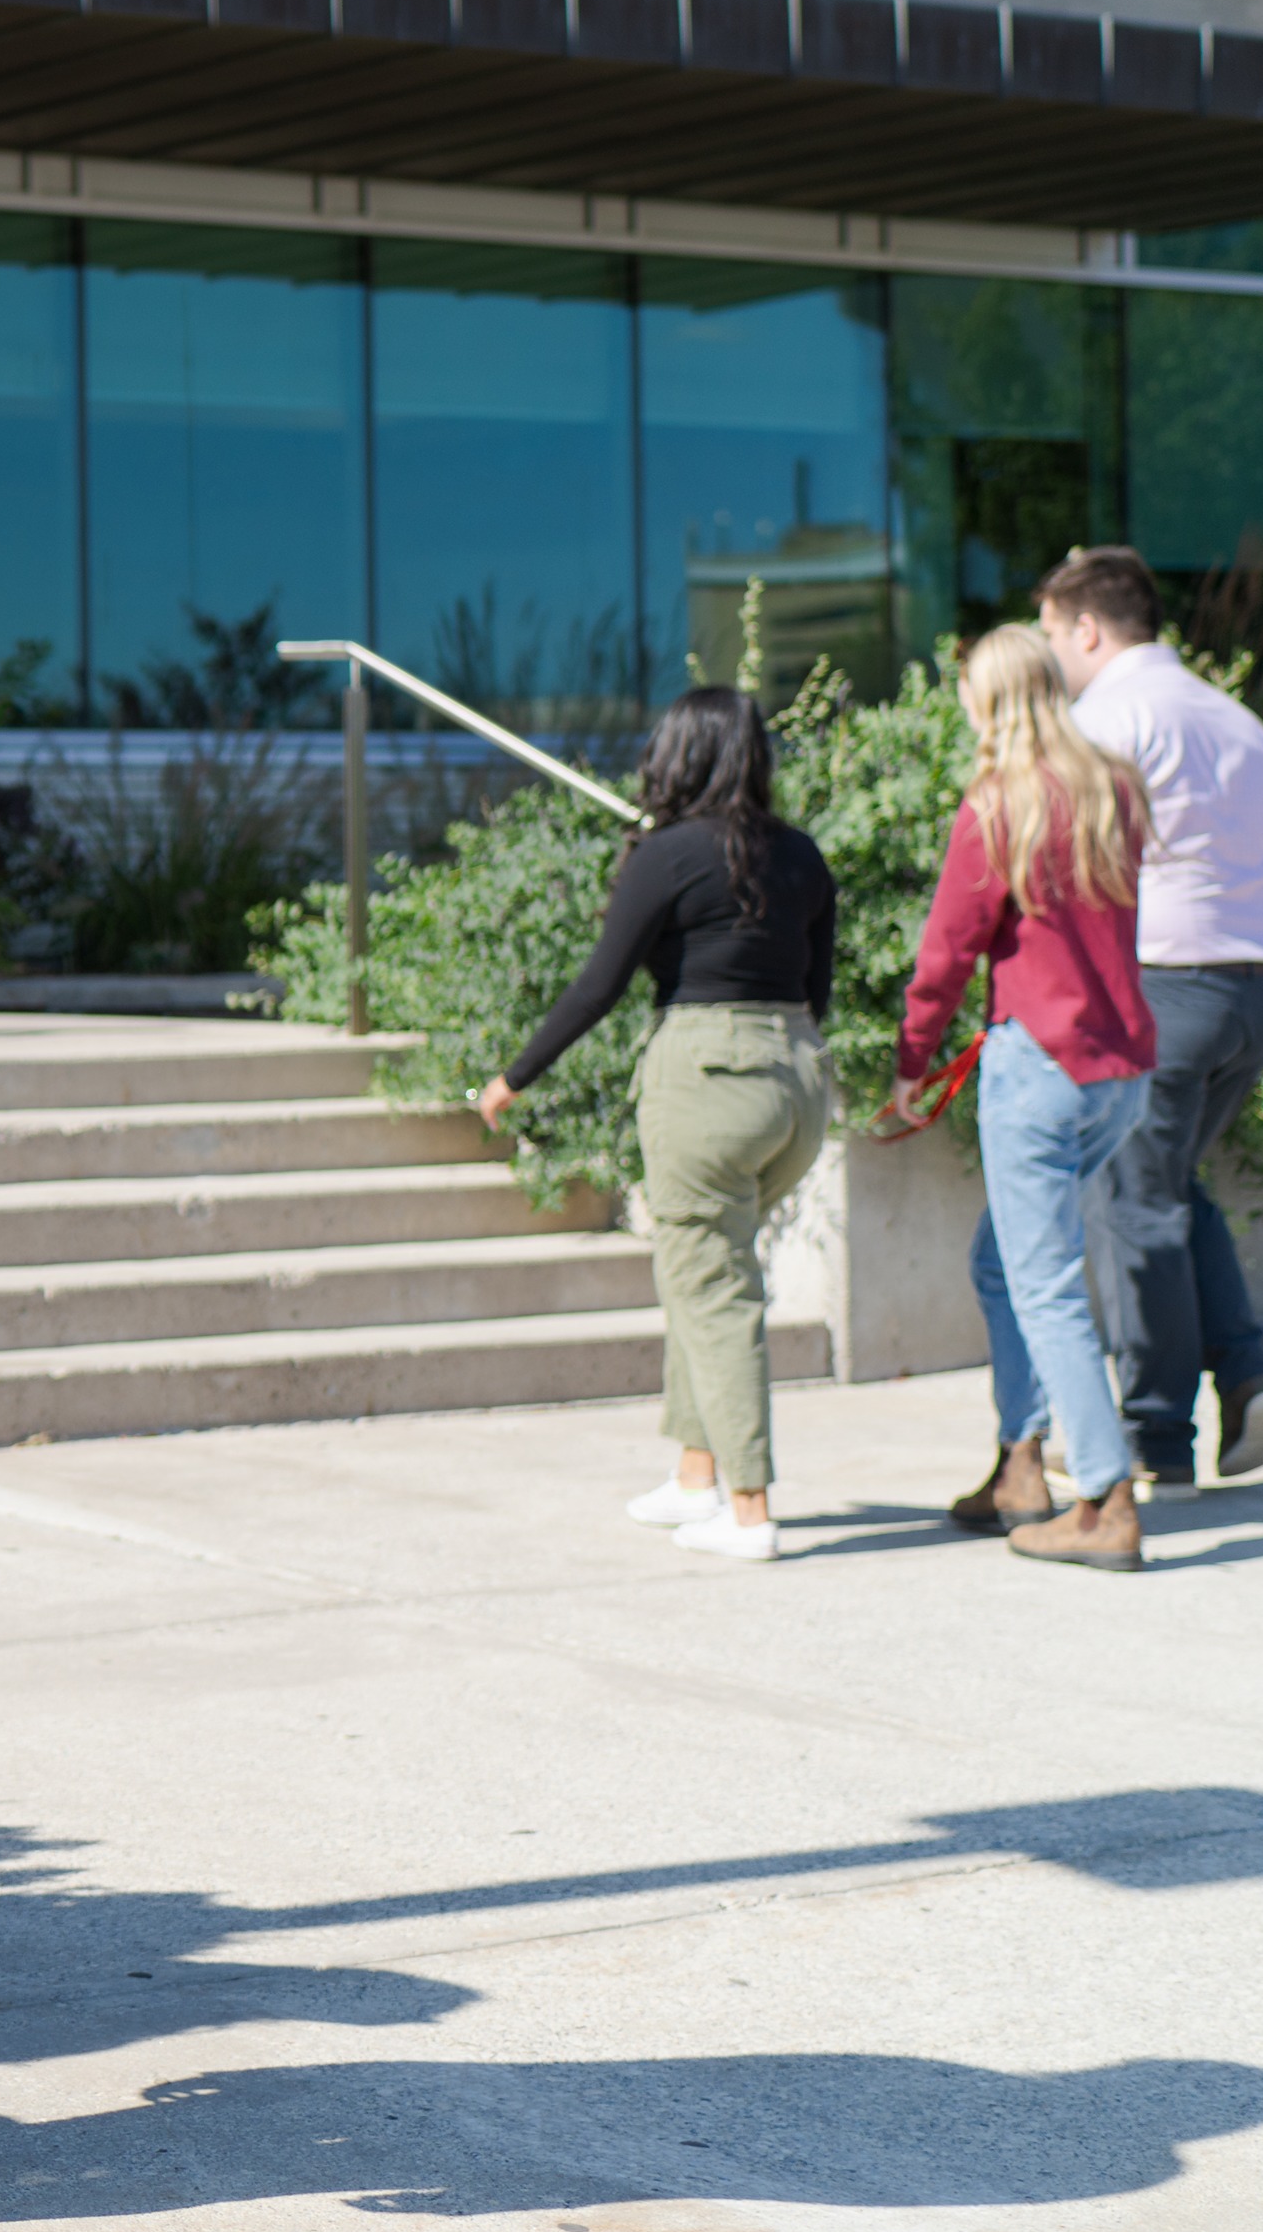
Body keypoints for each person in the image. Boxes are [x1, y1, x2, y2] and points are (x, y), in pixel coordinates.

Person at [476, 690, 835, 1563]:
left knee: (710, 1285)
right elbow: (815, 988)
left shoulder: (666, 855)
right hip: (794, 1080)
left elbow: (599, 984)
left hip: (704, 1078)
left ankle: (747, 1512)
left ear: (674, 756)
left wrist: (512, 1077)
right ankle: (693, 1476)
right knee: (700, 1270)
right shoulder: (800, 854)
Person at [898, 622, 1157, 1572]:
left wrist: (910, 1060)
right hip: (1119, 1066)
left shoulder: (997, 803)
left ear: (988, 698)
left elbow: (944, 953)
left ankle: (1103, 1499)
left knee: (1042, 1283)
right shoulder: (1113, 788)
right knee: (1005, 1263)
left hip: (1040, 1065)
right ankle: (1019, 1466)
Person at [1045, 547, 1263, 1495]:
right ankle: (1243, 1374)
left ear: (1086, 627)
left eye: (1051, 633)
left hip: (1160, 982)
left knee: (1132, 1201)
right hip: (1250, 988)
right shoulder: (1240, 721)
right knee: (1167, 1184)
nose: (1051, 656)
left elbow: (1082, 866)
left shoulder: (1107, 716)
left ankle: (1155, 1436)